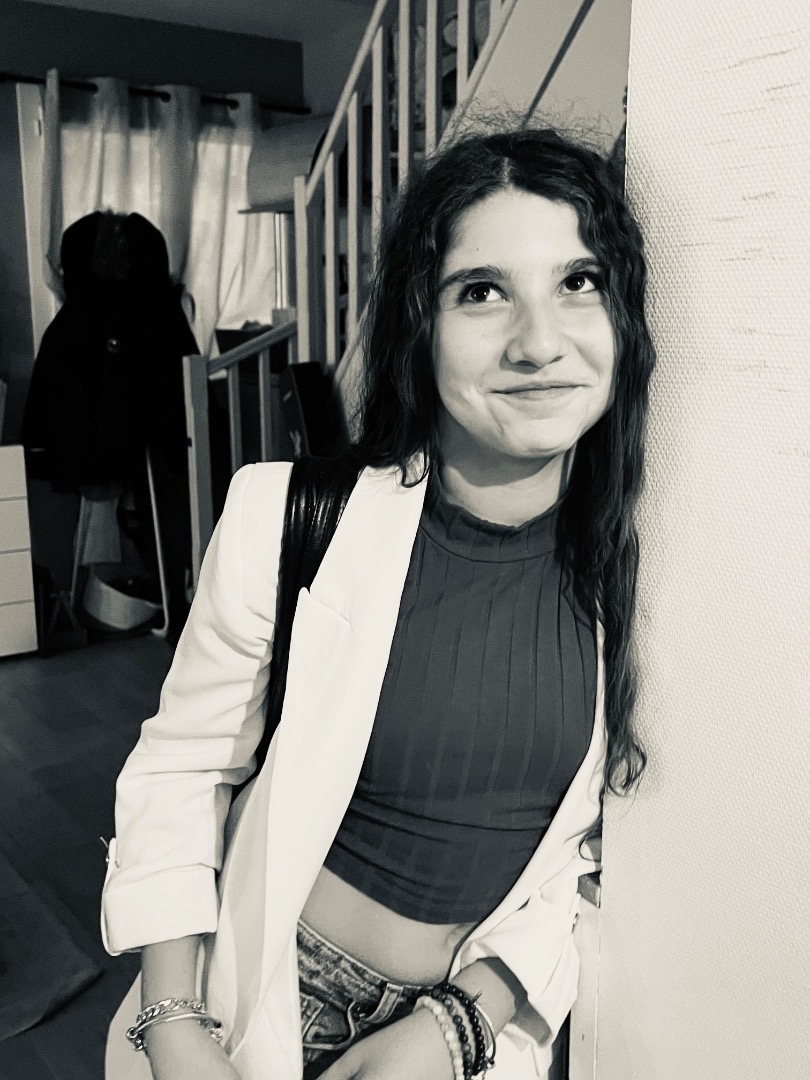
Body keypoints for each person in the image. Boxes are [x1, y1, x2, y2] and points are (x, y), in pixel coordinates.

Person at [101, 126, 654, 1080]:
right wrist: (175, 1022)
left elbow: (589, 851)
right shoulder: (284, 516)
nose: (539, 343)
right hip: (263, 999)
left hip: (460, 1027)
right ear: (419, 323)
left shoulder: (636, 566)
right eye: (481, 291)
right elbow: (184, 766)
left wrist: (461, 1022)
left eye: (580, 281)